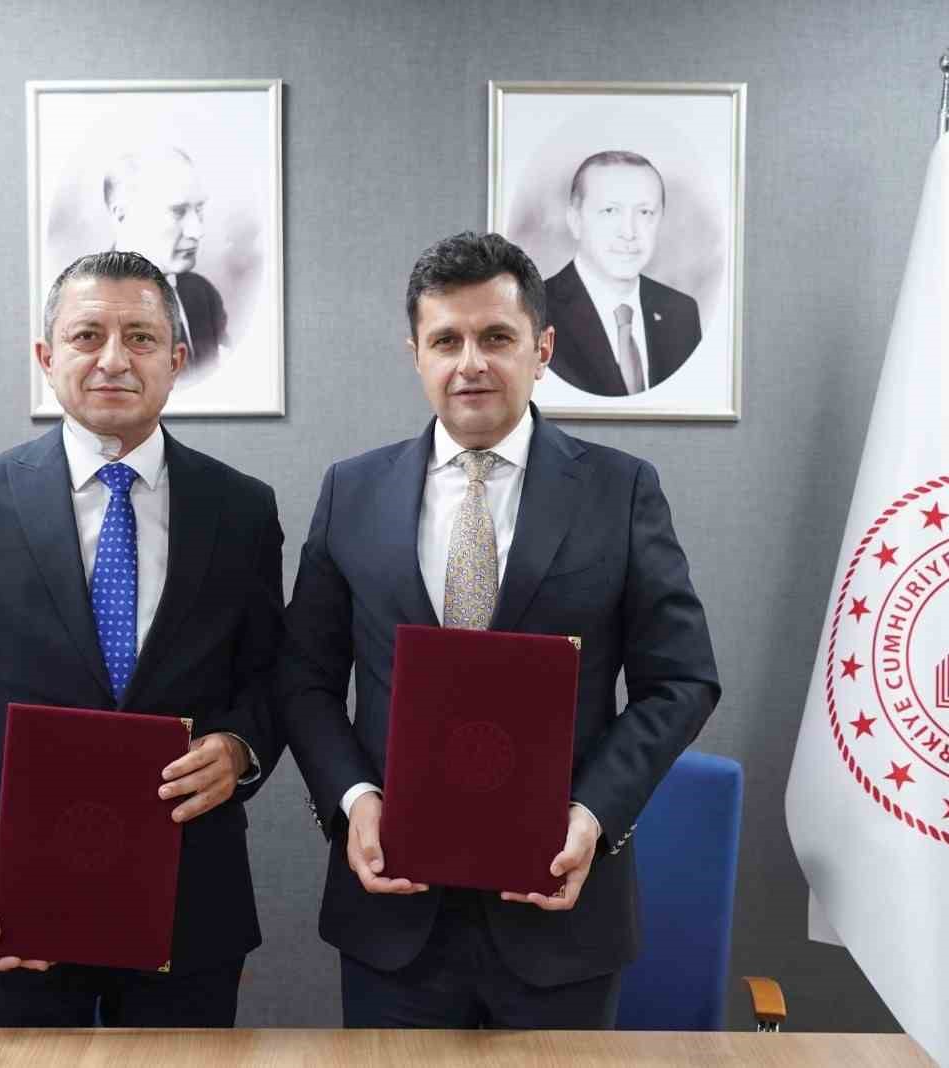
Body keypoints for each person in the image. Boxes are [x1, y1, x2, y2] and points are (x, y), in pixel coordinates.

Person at [279, 231, 720, 1028]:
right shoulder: (351, 492)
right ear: (416, 354)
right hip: (393, 914)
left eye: (496, 337)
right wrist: (353, 801)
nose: (471, 363)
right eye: (446, 341)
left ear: (541, 349)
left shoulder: (620, 491)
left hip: (560, 907)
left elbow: (681, 680)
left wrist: (593, 815)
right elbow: (302, 679)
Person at [0, 251, 282, 1027]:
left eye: (140, 337)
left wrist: (240, 748)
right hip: (15, 899)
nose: (113, 359)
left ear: (176, 359)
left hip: (189, 904)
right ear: (47, 357)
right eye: (87, 336)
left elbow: (274, 678)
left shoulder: (242, 508)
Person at [545, 151, 701, 396]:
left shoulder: (682, 313)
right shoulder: (535, 310)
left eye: (645, 213)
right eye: (610, 211)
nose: (628, 232)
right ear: (575, 221)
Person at [103, 146, 227, 374]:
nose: (197, 231)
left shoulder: (203, 295)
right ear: (121, 215)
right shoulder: (89, 303)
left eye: (199, 209)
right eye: (177, 212)